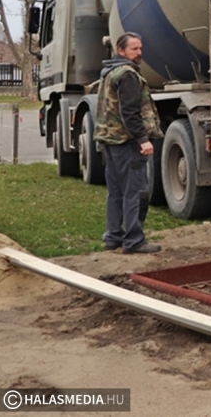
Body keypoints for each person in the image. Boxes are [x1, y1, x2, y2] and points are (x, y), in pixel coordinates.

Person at [94, 32, 163, 254]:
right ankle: (134, 240)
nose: (139, 53)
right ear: (121, 50)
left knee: (116, 192)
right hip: (127, 142)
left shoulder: (109, 72)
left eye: (140, 48)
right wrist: (143, 140)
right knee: (135, 191)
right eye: (134, 49)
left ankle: (113, 236)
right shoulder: (128, 75)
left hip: (111, 141)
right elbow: (130, 113)